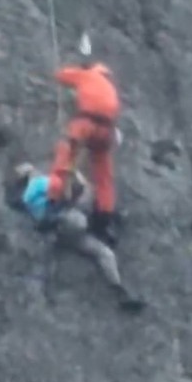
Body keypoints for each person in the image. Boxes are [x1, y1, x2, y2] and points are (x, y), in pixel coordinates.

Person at [5, 162, 145, 313]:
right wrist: (74, 177)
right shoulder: (39, 184)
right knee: (85, 207)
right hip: (66, 223)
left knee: (104, 252)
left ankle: (120, 292)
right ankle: (106, 225)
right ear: (29, 174)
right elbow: (67, 190)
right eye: (33, 169)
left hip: (63, 233)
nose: (37, 170)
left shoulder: (26, 198)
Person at [47, 59, 121, 247]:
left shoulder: (87, 75)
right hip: (106, 130)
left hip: (86, 124)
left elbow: (61, 75)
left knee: (66, 158)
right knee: (103, 175)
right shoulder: (110, 87)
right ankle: (104, 219)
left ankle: (53, 201)